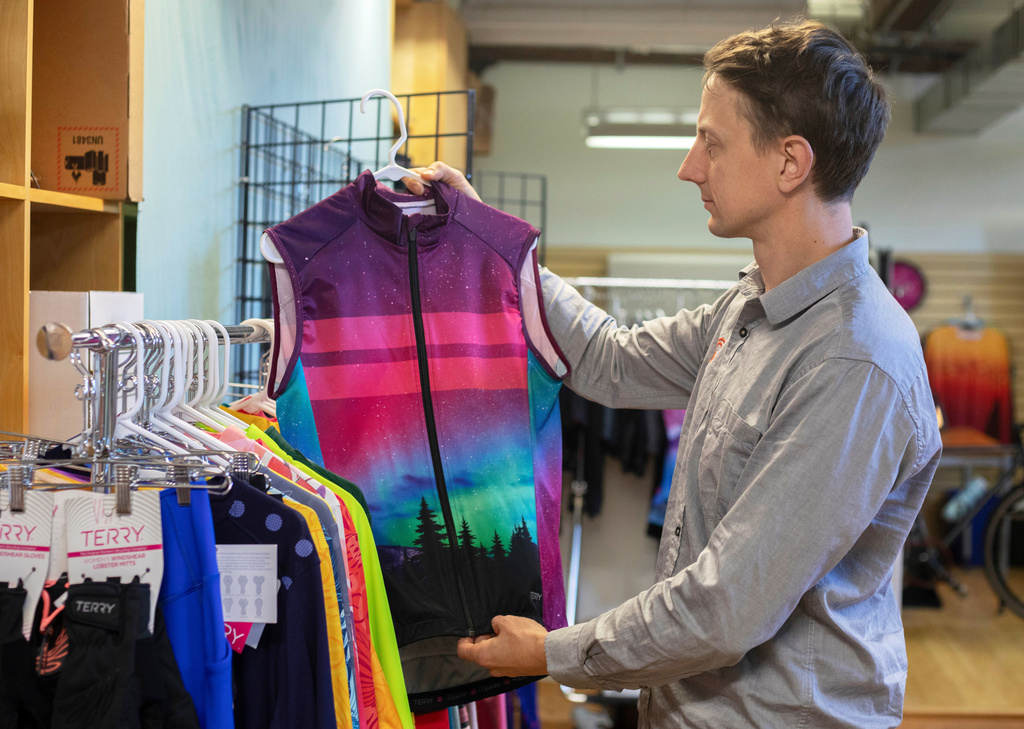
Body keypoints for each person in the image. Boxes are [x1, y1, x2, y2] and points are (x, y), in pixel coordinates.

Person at [404, 17, 941, 729]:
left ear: (790, 163)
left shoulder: (853, 360)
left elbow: (726, 608)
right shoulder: (752, 303)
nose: (690, 166)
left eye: (711, 142)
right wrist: (493, 243)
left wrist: (552, 652)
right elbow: (610, 358)